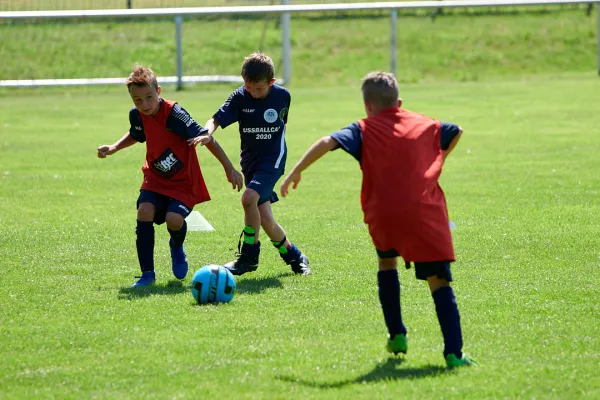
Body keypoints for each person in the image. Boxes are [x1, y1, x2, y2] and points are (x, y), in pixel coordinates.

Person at [280, 71, 475, 368]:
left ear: (367, 105)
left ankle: (397, 334)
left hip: (383, 213)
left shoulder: (363, 128)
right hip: (424, 211)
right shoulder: (427, 124)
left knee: (387, 262)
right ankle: (453, 353)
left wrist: (296, 171)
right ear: (399, 102)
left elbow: (327, 141)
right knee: (438, 281)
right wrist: (437, 161)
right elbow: (456, 130)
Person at [97, 66, 243, 287]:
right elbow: (137, 133)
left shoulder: (175, 115)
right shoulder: (137, 115)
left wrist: (229, 168)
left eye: (149, 98)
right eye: (137, 100)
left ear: (158, 91)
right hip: (155, 178)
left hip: (183, 181)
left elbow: (206, 138)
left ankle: (176, 246)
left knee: (173, 220)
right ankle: (147, 274)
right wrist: (115, 147)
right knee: (144, 211)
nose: (144, 105)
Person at [198, 52, 310, 276]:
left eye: (258, 89)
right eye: (248, 87)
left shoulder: (282, 96)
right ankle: (295, 257)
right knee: (266, 220)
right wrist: (207, 133)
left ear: (271, 83)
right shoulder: (240, 97)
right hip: (250, 163)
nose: (252, 92)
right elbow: (216, 118)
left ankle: (249, 257)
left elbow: (282, 125)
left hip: (273, 160)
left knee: (248, 198)